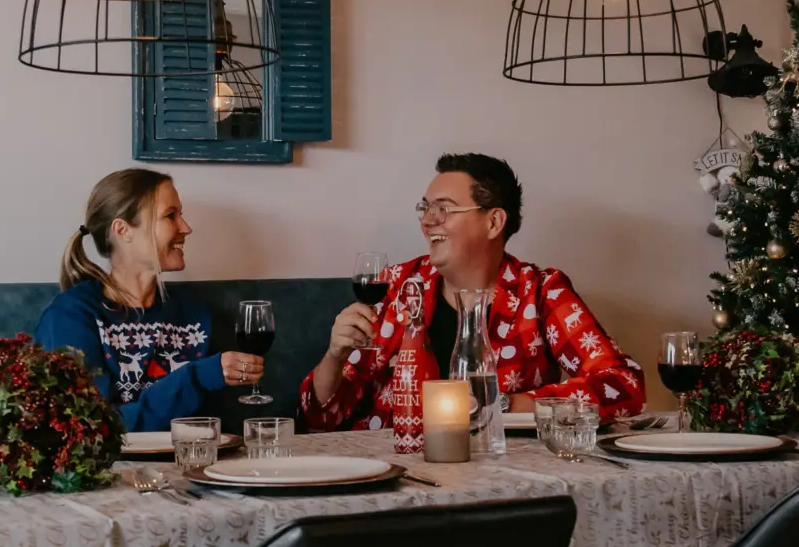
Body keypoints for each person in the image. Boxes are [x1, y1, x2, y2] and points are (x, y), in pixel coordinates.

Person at [299, 153, 646, 432]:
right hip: (394, 471)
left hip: (500, 474)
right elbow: (322, 418)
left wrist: (500, 406)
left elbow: (623, 385)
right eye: (425, 208)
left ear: (494, 222)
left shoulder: (540, 292)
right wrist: (335, 355)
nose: (427, 220)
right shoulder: (396, 286)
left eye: (444, 208)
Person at [34, 168, 263, 432]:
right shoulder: (71, 316)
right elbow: (94, 430)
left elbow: (209, 427)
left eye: (181, 215)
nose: (186, 228)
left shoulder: (192, 315)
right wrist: (198, 377)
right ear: (123, 230)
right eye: (170, 216)